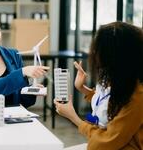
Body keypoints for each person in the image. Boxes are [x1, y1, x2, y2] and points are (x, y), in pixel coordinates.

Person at [54, 22, 143, 150]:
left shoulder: (138, 96)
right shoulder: (124, 79)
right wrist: (82, 88)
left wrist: (73, 117)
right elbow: (107, 100)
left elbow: (103, 143)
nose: (95, 54)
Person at [73, 61, 110, 128]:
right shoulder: (105, 79)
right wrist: (80, 87)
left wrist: (72, 116)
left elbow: (108, 137)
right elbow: (100, 96)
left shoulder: (126, 97)